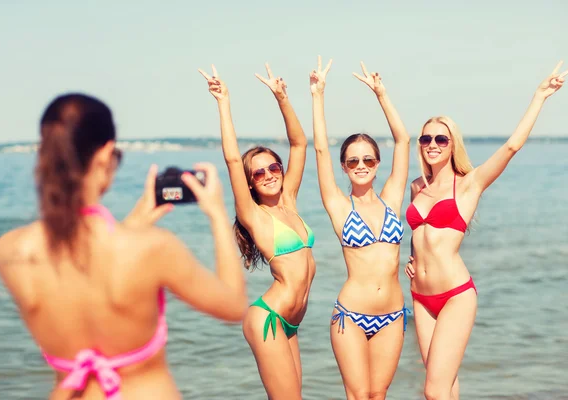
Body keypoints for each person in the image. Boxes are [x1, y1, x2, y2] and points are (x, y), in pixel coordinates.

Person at [0, 93, 247, 400]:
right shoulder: (153, 249)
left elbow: (85, 272)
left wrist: (134, 223)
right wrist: (217, 213)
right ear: (106, 154)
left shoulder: (9, 252)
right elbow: (234, 305)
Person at [404, 61, 567, 400]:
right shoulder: (417, 186)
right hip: (420, 296)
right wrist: (412, 259)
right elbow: (420, 237)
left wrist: (539, 97)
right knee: (446, 385)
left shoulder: (470, 184)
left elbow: (511, 147)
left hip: (455, 296)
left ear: (452, 144)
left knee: (433, 390)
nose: (432, 144)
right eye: (425, 138)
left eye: (440, 138)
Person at [199, 64, 314, 399]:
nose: (269, 174)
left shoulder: (289, 200)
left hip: (290, 323)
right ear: (250, 181)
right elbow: (234, 160)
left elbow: (300, 143)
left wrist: (282, 97)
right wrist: (223, 103)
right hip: (269, 319)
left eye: (273, 167)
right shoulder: (253, 214)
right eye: (259, 172)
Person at [310, 56, 411, 399]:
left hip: (393, 314)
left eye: (368, 159)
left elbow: (404, 141)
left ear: (377, 163)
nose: (361, 165)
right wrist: (317, 95)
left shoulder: (392, 200)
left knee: (378, 395)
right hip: (350, 316)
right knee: (357, 395)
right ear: (344, 167)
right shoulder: (339, 205)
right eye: (352, 160)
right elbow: (320, 149)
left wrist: (381, 94)